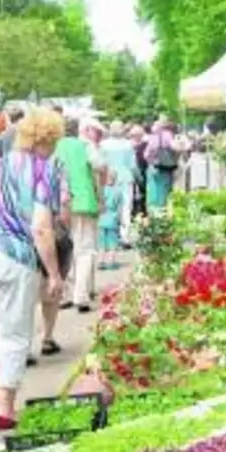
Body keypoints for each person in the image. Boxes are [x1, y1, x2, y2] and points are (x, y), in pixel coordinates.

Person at [0, 106, 66, 431]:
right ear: (48, 139)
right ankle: (6, 408)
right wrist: (54, 273)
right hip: (13, 256)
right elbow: (41, 228)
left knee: (8, 325)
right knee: (19, 333)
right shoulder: (43, 169)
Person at [54, 117, 102, 313]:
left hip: (60, 203)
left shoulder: (53, 148)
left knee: (65, 248)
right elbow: (100, 166)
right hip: (85, 201)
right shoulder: (86, 146)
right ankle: (80, 295)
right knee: (85, 249)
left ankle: (65, 293)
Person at [99, 121, 140, 245]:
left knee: (109, 207)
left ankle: (109, 236)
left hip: (109, 178)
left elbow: (101, 163)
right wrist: (139, 177)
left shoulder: (103, 145)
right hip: (126, 178)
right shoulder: (128, 145)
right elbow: (133, 166)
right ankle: (125, 236)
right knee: (126, 207)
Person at [143, 117, 179, 211]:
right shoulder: (168, 135)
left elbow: (146, 155)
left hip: (152, 167)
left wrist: (152, 161)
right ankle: (163, 213)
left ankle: (153, 213)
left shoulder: (152, 137)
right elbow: (175, 147)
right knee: (164, 193)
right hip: (165, 168)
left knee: (153, 193)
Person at [98, 163, 124, 270]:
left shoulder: (102, 190)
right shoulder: (118, 191)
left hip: (101, 218)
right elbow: (120, 208)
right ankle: (111, 262)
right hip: (112, 218)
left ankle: (101, 261)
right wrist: (121, 220)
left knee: (101, 243)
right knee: (113, 242)